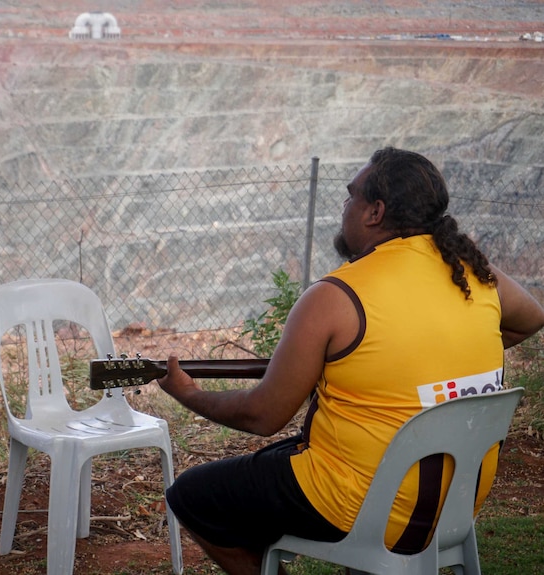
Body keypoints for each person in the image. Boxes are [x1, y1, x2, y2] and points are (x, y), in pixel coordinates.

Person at [157, 147, 544, 574]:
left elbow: (262, 416)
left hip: (366, 507)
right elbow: (532, 318)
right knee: (277, 468)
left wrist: (188, 393)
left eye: (350, 197)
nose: (344, 208)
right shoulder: (473, 273)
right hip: (455, 504)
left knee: (193, 496)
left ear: (374, 212)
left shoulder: (335, 297)